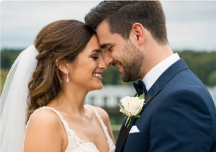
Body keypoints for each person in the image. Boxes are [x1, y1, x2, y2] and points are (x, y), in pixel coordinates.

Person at [85, 1, 216, 152]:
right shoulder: (159, 92)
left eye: (109, 48)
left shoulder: (181, 99)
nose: (106, 61)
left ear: (138, 34)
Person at [0, 20, 115, 152]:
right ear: (64, 65)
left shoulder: (101, 117)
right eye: (94, 56)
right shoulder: (45, 121)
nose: (104, 65)